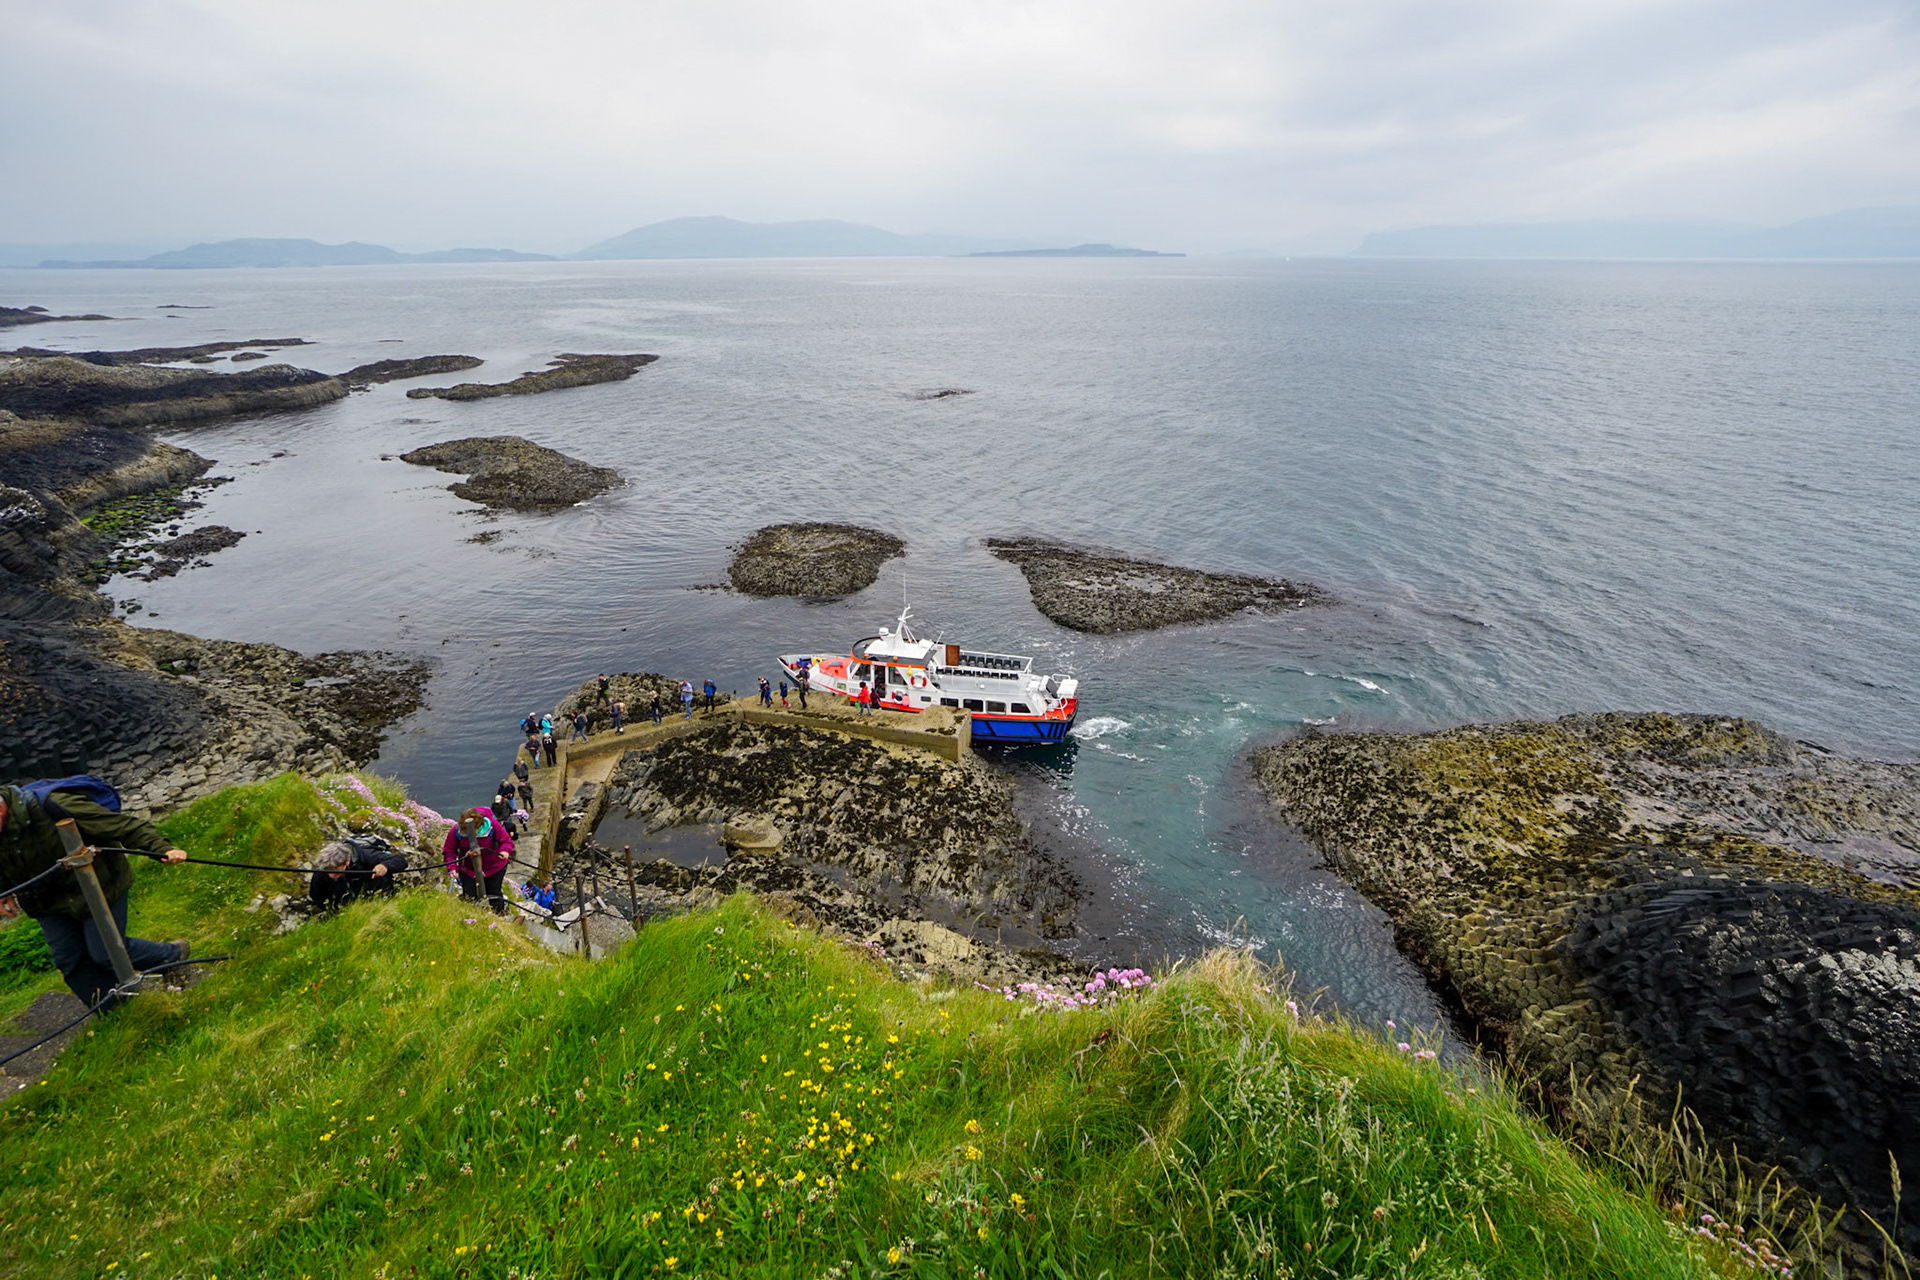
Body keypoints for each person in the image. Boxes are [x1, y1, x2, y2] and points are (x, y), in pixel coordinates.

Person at [0, 780, 191, 1008]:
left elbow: (121, 826)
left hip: (98, 885)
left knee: (105, 951)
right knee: (69, 959)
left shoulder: (55, 805)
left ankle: (172, 956)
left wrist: (161, 848)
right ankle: (115, 1013)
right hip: (48, 901)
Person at [307, 836, 407, 911]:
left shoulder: (366, 855)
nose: (331, 875)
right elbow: (316, 895)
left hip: (375, 897)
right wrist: (329, 911)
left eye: (335, 869)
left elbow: (401, 860)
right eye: (328, 870)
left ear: (347, 861)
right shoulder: (323, 867)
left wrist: (384, 866)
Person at [443, 807, 512, 915]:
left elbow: (506, 840)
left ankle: (500, 917)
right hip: (468, 870)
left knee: (494, 894)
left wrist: (505, 851)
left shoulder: (492, 826)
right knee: (469, 896)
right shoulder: (456, 831)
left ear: (479, 826)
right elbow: (449, 851)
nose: (466, 833)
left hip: (494, 867)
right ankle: (474, 919)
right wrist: (452, 868)